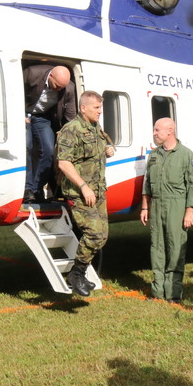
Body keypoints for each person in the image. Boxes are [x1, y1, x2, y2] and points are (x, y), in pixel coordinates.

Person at [55, 90, 115, 296]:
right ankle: (76, 274)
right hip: (81, 193)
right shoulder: (71, 130)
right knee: (95, 235)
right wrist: (83, 186)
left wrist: (108, 150)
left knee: (103, 236)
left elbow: (94, 153)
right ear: (83, 108)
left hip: (98, 191)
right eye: (96, 108)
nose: (100, 112)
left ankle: (78, 274)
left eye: (100, 107)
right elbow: (64, 162)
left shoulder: (95, 127)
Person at [140, 117, 193, 303]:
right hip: (157, 205)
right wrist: (145, 206)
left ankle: (174, 292)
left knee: (175, 248)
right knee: (157, 247)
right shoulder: (154, 155)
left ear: (170, 131)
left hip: (176, 205)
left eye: (157, 130)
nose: (154, 133)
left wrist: (189, 210)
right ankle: (158, 291)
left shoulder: (186, 155)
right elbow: (147, 183)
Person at [24, 63, 77, 203]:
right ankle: (27, 188)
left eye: (62, 87)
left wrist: (70, 134)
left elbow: (70, 117)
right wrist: (19, 113)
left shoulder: (68, 88)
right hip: (23, 113)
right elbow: (12, 93)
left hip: (43, 117)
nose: (59, 89)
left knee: (48, 150)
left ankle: (36, 189)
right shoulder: (31, 73)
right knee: (27, 146)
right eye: (57, 85)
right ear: (51, 76)